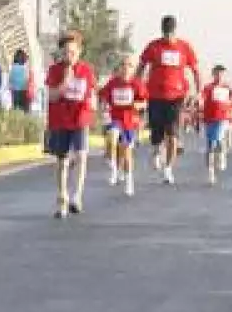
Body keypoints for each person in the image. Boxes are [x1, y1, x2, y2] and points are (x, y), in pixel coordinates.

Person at [137, 14, 201, 186]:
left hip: (177, 96)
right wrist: (137, 86)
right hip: (155, 95)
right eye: (165, 33)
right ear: (161, 31)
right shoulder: (153, 46)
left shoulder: (184, 47)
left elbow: (195, 70)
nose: (168, 36)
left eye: (171, 33)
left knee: (172, 132)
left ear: (175, 31)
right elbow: (141, 66)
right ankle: (157, 150)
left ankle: (168, 168)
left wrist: (198, 92)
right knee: (157, 132)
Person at [44, 31, 98, 218]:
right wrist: (65, 81)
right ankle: (62, 198)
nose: (70, 56)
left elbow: (91, 94)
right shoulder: (55, 71)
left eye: (73, 52)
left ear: (80, 52)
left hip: (80, 118)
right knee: (62, 161)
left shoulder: (87, 70)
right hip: (60, 119)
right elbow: (52, 96)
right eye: (66, 52)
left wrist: (92, 109)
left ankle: (77, 196)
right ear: (61, 52)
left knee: (82, 155)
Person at [99, 54, 148, 198]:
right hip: (115, 119)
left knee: (126, 153)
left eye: (129, 66)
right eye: (123, 65)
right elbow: (103, 97)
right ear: (119, 68)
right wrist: (103, 107)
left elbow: (145, 103)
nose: (126, 68)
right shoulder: (112, 83)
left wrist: (138, 105)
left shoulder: (137, 84)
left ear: (133, 69)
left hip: (129, 122)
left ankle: (129, 181)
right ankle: (114, 169)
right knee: (111, 137)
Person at [200, 65, 232, 185]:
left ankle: (222, 155)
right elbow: (202, 98)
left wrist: (231, 113)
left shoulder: (227, 88)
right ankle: (210, 173)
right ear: (213, 74)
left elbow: (231, 101)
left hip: (222, 118)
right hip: (209, 118)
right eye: (217, 73)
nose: (219, 76)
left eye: (222, 74)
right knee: (210, 146)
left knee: (218, 140)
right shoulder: (208, 87)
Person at [8, 49, 34, 113]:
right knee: (25, 111)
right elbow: (29, 81)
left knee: (17, 111)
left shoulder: (13, 68)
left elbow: (10, 81)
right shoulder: (26, 69)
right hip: (24, 92)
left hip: (15, 92)